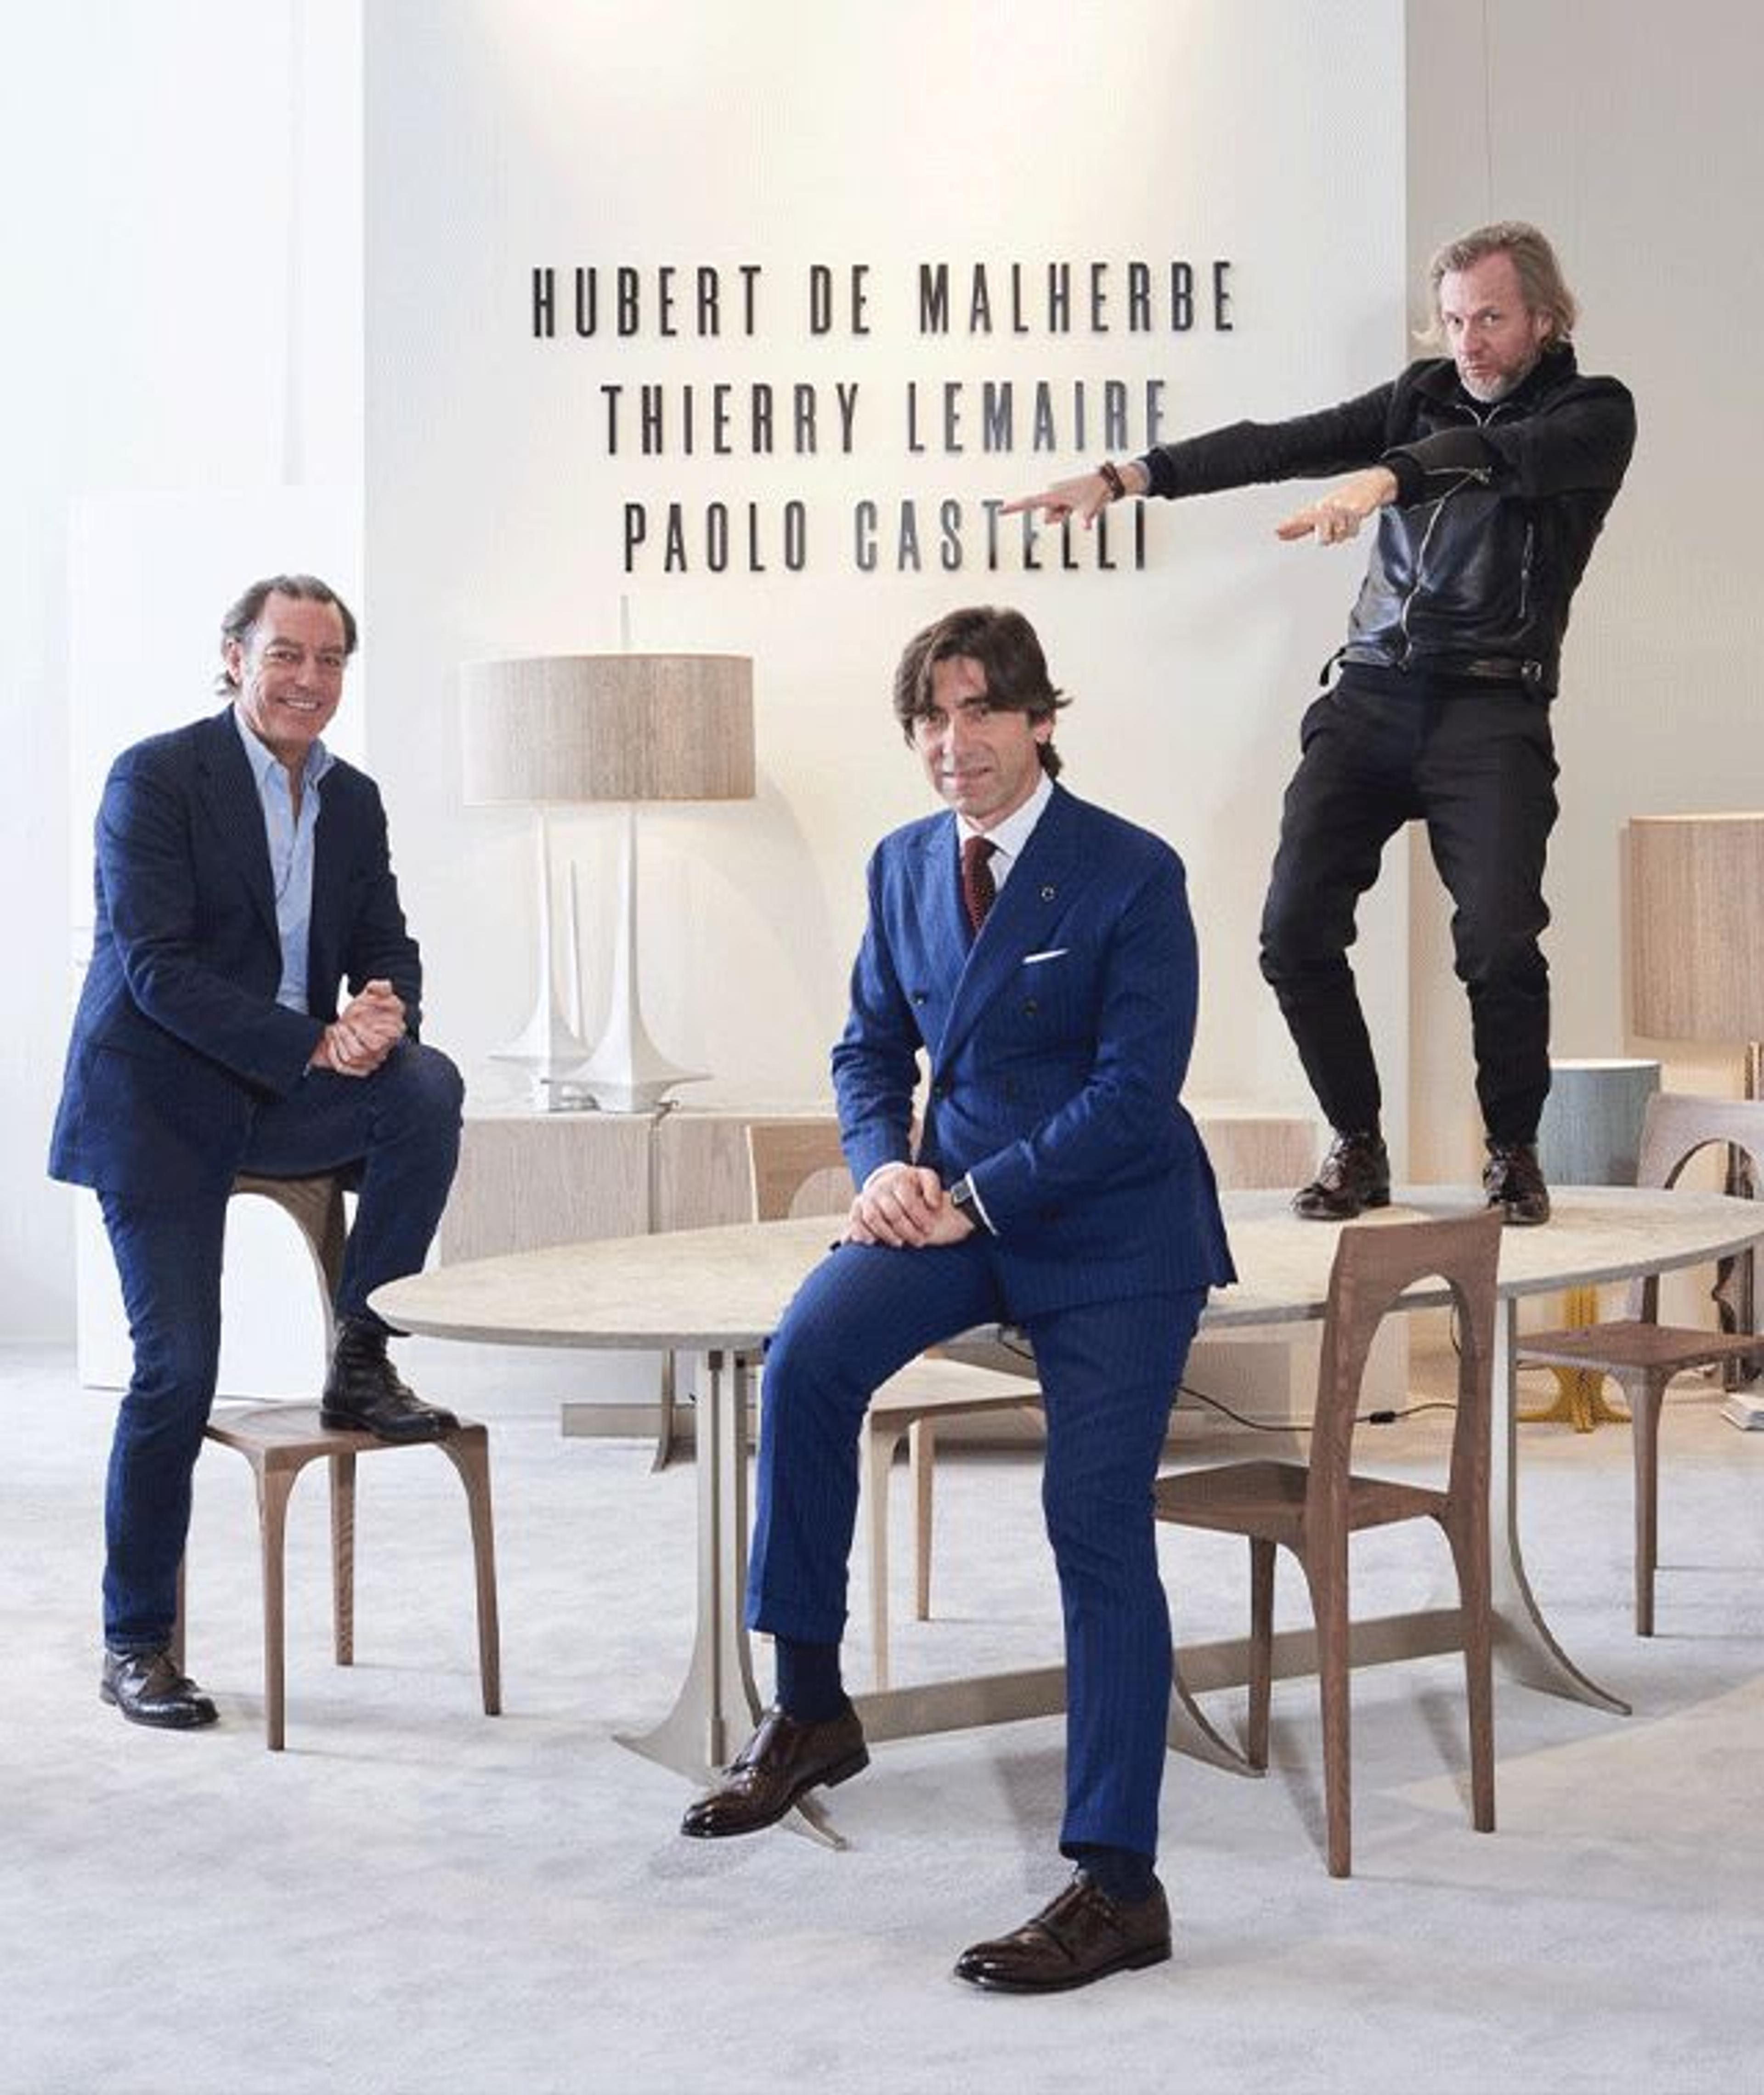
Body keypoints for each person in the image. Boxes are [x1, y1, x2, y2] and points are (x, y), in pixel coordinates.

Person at [678, 605, 1235, 1995]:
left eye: (981, 710)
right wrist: (882, 1171)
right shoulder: (904, 865)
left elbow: (1135, 1095)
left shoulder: (1131, 869)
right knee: (806, 1357)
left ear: (1042, 719)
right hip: (951, 1205)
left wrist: (972, 1199)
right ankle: (812, 1709)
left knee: (1092, 1514)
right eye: (929, 716)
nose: (953, 741)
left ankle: (1121, 1884)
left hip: (1111, 1224)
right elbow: (868, 1049)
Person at [1006, 221, 1636, 1226]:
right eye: (1453, 320)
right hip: (1372, 694)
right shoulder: (1420, 396)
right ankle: (1358, 1143)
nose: (1467, 342)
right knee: (1293, 932)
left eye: (1490, 319)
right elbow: (1279, 444)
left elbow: (1494, 457)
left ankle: (1513, 1149)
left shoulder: (1593, 414)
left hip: (1490, 707)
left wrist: (1387, 479)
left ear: (1546, 320)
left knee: (1500, 943)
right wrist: (1130, 477)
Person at [50, 574, 464, 1732]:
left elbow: (386, 938)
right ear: (236, 657)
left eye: (330, 660)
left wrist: (381, 1012)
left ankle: (362, 1353)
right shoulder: (155, 777)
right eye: (287, 654)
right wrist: (316, 1041)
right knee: (177, 1371)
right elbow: (157, 970)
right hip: (160, 1098)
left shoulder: (353, 799)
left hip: (286, 1087)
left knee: (426, 1087)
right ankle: (136, 1643)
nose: (309, 680)